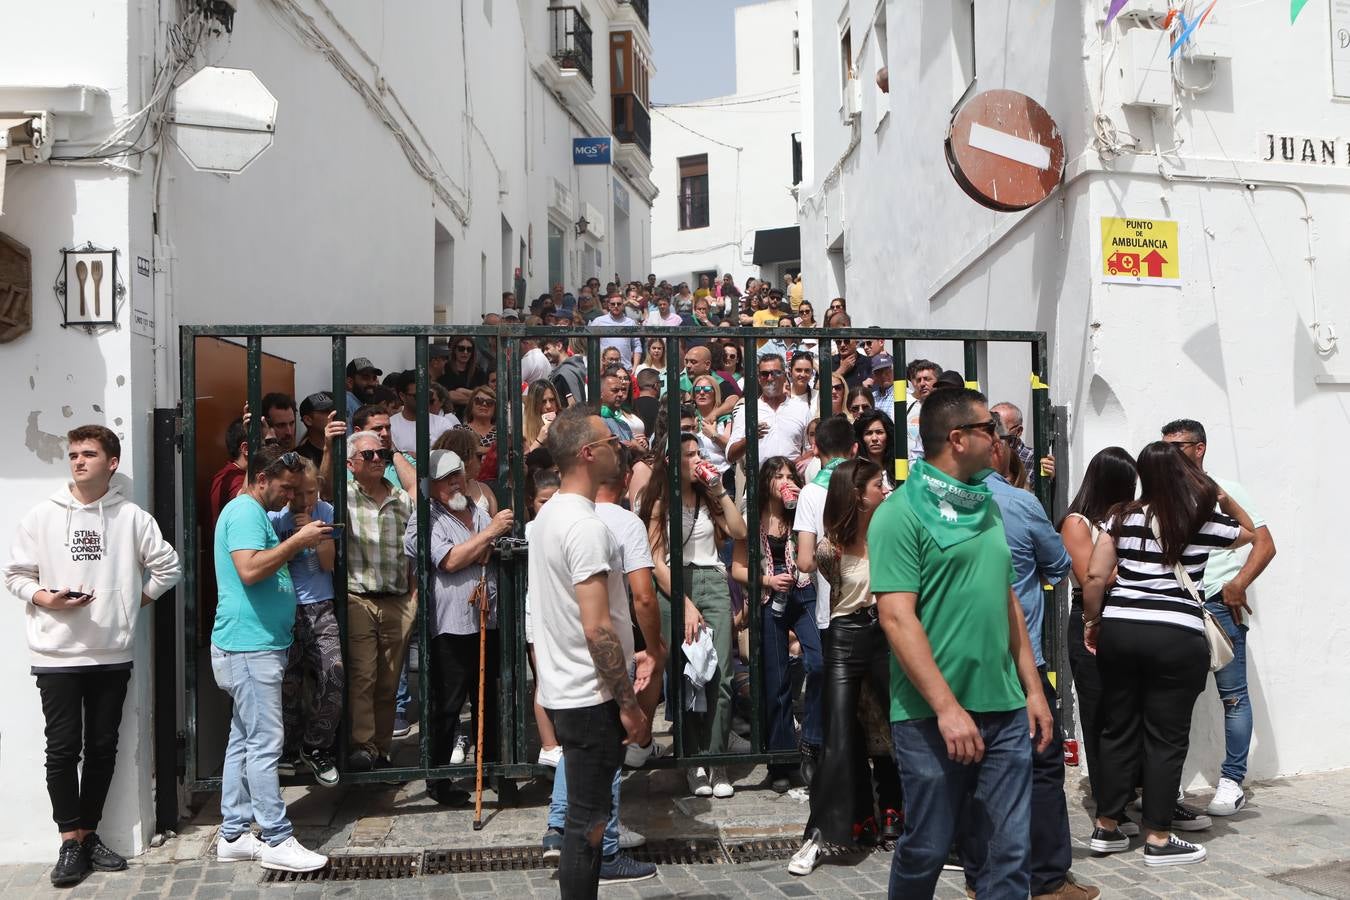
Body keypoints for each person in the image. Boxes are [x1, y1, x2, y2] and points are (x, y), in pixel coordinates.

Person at [870, 387, 1054, 897]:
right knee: (928, 845)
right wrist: (948, 709)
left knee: (1008, 853)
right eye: (988, 429)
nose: (998, 439)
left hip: (1003, 708)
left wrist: (1034, 691)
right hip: (931, 716)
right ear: (958, 438)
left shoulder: (988, 504)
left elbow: (1007, 599)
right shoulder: (899, 513)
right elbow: (896, 617)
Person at [4, 426, 181, 887]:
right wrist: (45, 598)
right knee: (62, 750)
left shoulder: (132, 518)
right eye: (74, 454)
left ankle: (88, 834)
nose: (79, 461)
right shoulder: (43, 516)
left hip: (111, 652)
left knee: (102, 748)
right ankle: (68, 842)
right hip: (56, 653)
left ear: (112, 463)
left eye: (89, 454)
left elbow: (169, 566)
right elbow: (16, 574)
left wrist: (128, 603)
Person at [1081, 441, 1255, 867]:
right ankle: (1159, 837)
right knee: (1165, 735)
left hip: (1121, 631)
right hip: (1176, 637)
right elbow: (1250, 533)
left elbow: (1095, 575)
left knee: (1117, 727)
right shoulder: (1201, 519)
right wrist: (1219, 494)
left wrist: (1093, 621)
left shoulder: (1120, 515)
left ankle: (1107, 827)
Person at [531, 407, 653, 897]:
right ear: (587, 453)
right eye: (610, 442)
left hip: (569, 691)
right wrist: (627, 703)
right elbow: (597, 628)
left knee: (586, 821)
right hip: (592, 697)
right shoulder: (585, 526)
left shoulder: (547, 518)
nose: (619, 448)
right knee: (589, 825)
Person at [985, 414, 1097, 899]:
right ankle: (1048, 880)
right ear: (994, 447)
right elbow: (1057, 565)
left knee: (978, 773)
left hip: (961, 663)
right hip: (1021, 661)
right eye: (1008, 440)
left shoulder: (922, 503)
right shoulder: (1017, 501)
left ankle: (978, 876)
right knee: (1043, 769)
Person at [210, 446, 332, 873]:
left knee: (243, 740)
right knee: (264, 743)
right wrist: (298, 541)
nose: (290, 498)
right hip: (249, 646)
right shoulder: (244, 512)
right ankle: (277, 837)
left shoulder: (251, 512)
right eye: (285, 488)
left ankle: (233, 833)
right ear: (262, 477)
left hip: (253, 645)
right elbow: (249, 569)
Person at [788, 459, 902, 876]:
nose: (886, 487)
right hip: (846, 634)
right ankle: (822, 833)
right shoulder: (830, 547)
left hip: (887, 632)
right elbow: (826, 585)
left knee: (898, 725)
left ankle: (899, 813)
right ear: (857, 494)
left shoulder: (893, 530)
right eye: (878, 483)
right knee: (839, 731)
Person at [1158, 421, 1278, 817]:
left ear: (1199, 449)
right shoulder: (1162, 495)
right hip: (1176, 607)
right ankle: (1167, 783)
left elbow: (1264, 542)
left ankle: (1232, 781)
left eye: (1178, 447)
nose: (1171, 454)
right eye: (1165, 447)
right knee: (1174, 698)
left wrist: (1238, 582)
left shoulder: (1225, 490)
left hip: (1217, 605)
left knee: (1233, 695)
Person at [640, 432, 747, 799]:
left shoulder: (706, 496)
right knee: (686, 676)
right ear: (671, 462)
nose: (696, 458)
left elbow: (739, 531)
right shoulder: (658, 500)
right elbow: (655, 561)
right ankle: (691, 759)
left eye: (698, 452)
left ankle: (715, 758)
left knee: (720, 672)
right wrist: (685, 602)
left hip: (712, 580)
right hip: (675, 583)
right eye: (688, 454)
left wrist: (718, 489)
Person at [405, 450, 514, 806]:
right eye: (445, 477)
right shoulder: (425, 519)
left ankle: (493, 769)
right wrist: (488, 536)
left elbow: (486, 552)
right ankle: (439, 779)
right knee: (448, 704)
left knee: (490, 698)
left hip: (489, 617)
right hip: (450, 625)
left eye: (458, 474)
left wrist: (482, 543)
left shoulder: (477, 512)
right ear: (431, 485)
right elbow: (450, 560)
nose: (455, 482)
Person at [731, 457, 821, 795]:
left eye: (789, 475)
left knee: (820, 662)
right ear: (765, 480)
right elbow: (737, 569)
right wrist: (768, 579)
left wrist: (801, 505)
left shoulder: (801, 513)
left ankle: (812, 742)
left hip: (804, 593)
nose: (785, 480)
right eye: (778, 475)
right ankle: (781, 760)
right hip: (770, 600)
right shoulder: (749, 520)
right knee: (777, 681)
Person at [267, 460, 343, 788]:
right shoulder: (273, 518)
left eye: (311, 492)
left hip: (320, 604)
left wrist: (313, 531)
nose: (305, 499)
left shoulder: (325, 511)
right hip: (285, 607)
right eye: (298, 493)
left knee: (334, 672)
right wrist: (294, 538)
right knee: (288, 683)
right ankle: (286, 749)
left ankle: (316, 746)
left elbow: (328, 564)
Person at [344, 430, 415, 771]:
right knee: (363, 674)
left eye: (381, 455)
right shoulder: (344, 497)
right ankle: (362, 745)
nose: (377, 460)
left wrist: (413, 596)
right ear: (351, 463)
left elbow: (415, 549)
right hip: (358, 598)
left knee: (389, 680)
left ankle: (382, 748)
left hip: (397, 599)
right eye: (369, 455)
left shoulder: (402, 500)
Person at [727, 353, 812, 466]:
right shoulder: (746, 411)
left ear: (784, 375)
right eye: (764, 374)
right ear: (758, 378)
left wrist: (795, 464)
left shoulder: (801, 408)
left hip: (790, 480)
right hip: (759, 480)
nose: (770, 378)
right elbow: (730, 455)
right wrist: (749, 438)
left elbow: (812, 449)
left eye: (776, 373)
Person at [390, 371, 458, 454]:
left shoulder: (443, 423)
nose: (424, 398)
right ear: (402, 396)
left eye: (428, 394)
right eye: (417, 395)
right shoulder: (389, 425)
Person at [438, 338, 489, 420]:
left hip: (473, 418)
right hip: (449, 417)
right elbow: (449, 396)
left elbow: (484, 396)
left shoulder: (479, 372)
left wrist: (461, 391)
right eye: (461, 348)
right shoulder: (445, 369)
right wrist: (475, 399)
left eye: (469, 349)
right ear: (454, 350)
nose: (465, 352)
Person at [592, 293, 642, 372]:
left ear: (623, 305)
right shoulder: (598, 321)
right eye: (613, 304)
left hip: (626, 369)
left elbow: (637, 346)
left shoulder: (630, 323)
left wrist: (635, 368)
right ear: (608, 305)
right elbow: (591, 345)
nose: (616, 306)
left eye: (619, 304)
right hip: (604, 370)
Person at [903, 359, 941, 462]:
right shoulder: (907, 407)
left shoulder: (945, 409)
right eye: (918, 380)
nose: (922, 384)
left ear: (938, 381)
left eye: (927, 379)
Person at [854, 410, 897, 493]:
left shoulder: (900, 469)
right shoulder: (855, 473)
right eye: (868, 433)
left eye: (879, 432)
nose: (874, 438)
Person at [295, 392, 336, 468]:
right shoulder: (299, 458)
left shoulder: (345, 447)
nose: (333, 413)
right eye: (326, 411)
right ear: (308, 420)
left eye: (333, 409)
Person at [523, 381, 562, 455]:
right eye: (543, 401)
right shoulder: (525, 429)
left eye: (552, 400)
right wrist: (539, 440)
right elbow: (523, 461)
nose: (549, 406)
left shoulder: (565, 423)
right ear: (534, 404)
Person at [869, 354, 898, 421]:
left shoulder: (904, 394)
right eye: (879, 371)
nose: (883, 375)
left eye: (887, 370)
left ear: (893, 371)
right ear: (874, 376)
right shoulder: (871, 397)